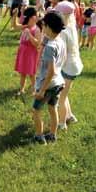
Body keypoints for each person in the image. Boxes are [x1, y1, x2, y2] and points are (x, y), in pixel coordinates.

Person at [33, 11, 66, 144]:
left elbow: (50, 72)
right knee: (53, 109)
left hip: (48, 84)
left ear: (48, 27)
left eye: (44, 25)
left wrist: (41, 91)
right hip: (59, 83)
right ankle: (52, 135)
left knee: (36, 111)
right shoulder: (60, 41)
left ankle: (39, 136)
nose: (42, 27)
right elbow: (44, 42)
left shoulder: (50, 48)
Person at [55, 1, 83, 130]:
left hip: (68, 67)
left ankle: (62, 123)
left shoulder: (63, 31)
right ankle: (70, 116)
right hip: (75, 65)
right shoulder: (72, 27)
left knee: (61, 96)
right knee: (65, 93)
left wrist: (55, 66)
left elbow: (63, 54)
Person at [12, 7, 42, 96]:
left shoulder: (36, 29)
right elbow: (15, 26)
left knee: (31, 73)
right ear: (32, 17)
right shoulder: (26, 26)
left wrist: (29, 35)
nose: (37, 17)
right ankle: (22, 89)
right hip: (23, 52)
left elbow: (37, 44)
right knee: (23, 72)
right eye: (37, 15)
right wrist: (14, 15)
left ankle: (34, 89)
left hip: (31, 53)